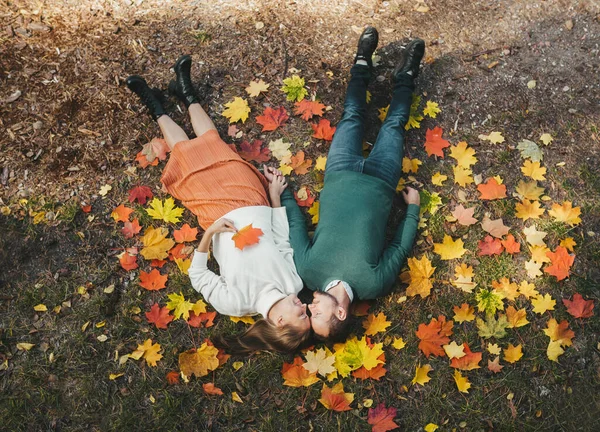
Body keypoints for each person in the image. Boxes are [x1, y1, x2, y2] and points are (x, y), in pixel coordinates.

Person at [126, 55, 310, 355]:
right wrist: (274, 196)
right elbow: (281, 239)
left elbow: (199, 276)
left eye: (300, 315)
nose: (303, 307)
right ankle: (186, 92)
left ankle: (155, 106)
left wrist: (209, 234)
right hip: (251, 197)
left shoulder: (236, 303)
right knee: (214, 143)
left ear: (278, 321)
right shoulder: (293, 282)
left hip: (216, 212)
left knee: (186, 156)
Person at [282, 27, 423, 341]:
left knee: (353, 115)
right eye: (317, 314)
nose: (310, 305)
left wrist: (283, 193)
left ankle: (362, 62)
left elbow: (294, 225)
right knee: (394, 125)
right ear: (341, 314)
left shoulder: (307, 273)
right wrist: (413, 208)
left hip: (340, 171)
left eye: (309, 312)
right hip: (382, 182)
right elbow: (400, 246)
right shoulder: (374, 285)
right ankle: (407, 75)